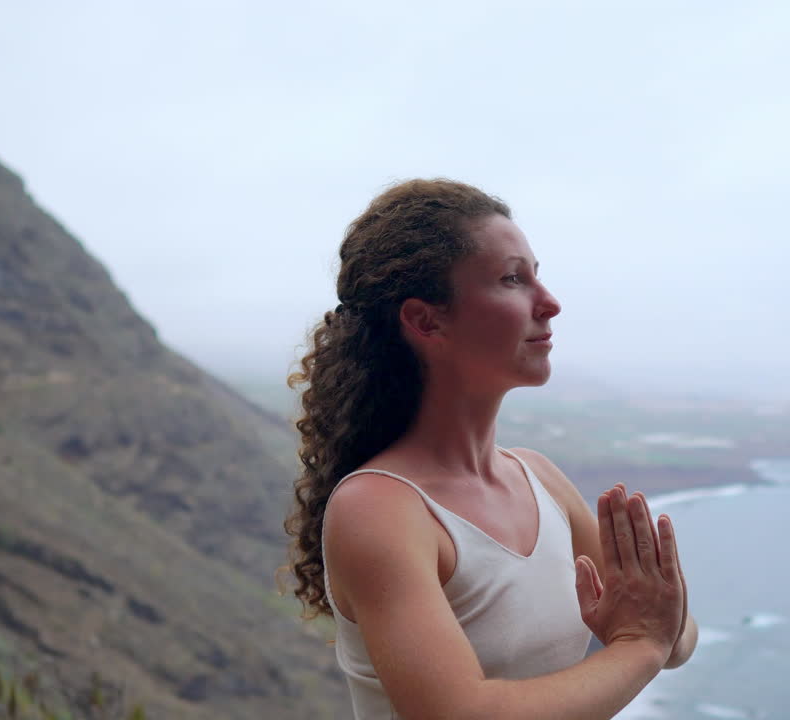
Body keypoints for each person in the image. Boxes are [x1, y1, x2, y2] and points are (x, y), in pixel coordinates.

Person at [282, 178, 698, 719]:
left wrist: (652, 617)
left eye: (537, 277)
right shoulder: (380, 509)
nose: (549, 304)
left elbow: (677, 637)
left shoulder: (540, 479)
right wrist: (638, 645)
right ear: (426, 320)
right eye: (511, 280)